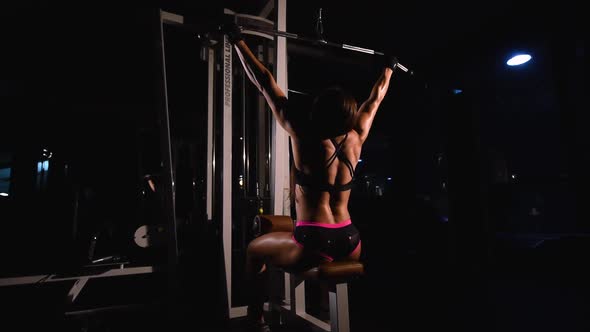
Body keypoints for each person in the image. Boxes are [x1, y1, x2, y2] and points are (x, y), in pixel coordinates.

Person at [224, 23, 397, 332]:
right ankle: (310, 310)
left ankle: (257, 320)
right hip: (351, 238)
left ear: (319, 110)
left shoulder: (303, 134)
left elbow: (265, 82)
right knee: (300, 245)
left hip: (314, 241)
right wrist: (388, 67)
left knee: (253, 250)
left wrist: (237, 40)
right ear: (349, 115)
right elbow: (376, 98)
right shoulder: (358, 134)